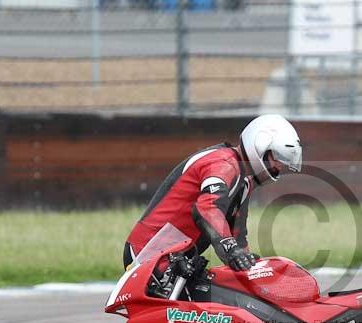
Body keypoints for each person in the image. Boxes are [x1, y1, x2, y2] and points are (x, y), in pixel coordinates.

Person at [124, 115, 302, 271]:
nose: (280, 166)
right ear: (260, 144)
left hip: (176, 258)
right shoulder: (224, 163)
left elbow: (237, 236)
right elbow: (207, 209)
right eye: (278, 157)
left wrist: (249, 265)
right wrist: (230, 248)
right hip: (146, 254)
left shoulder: (244, 182)